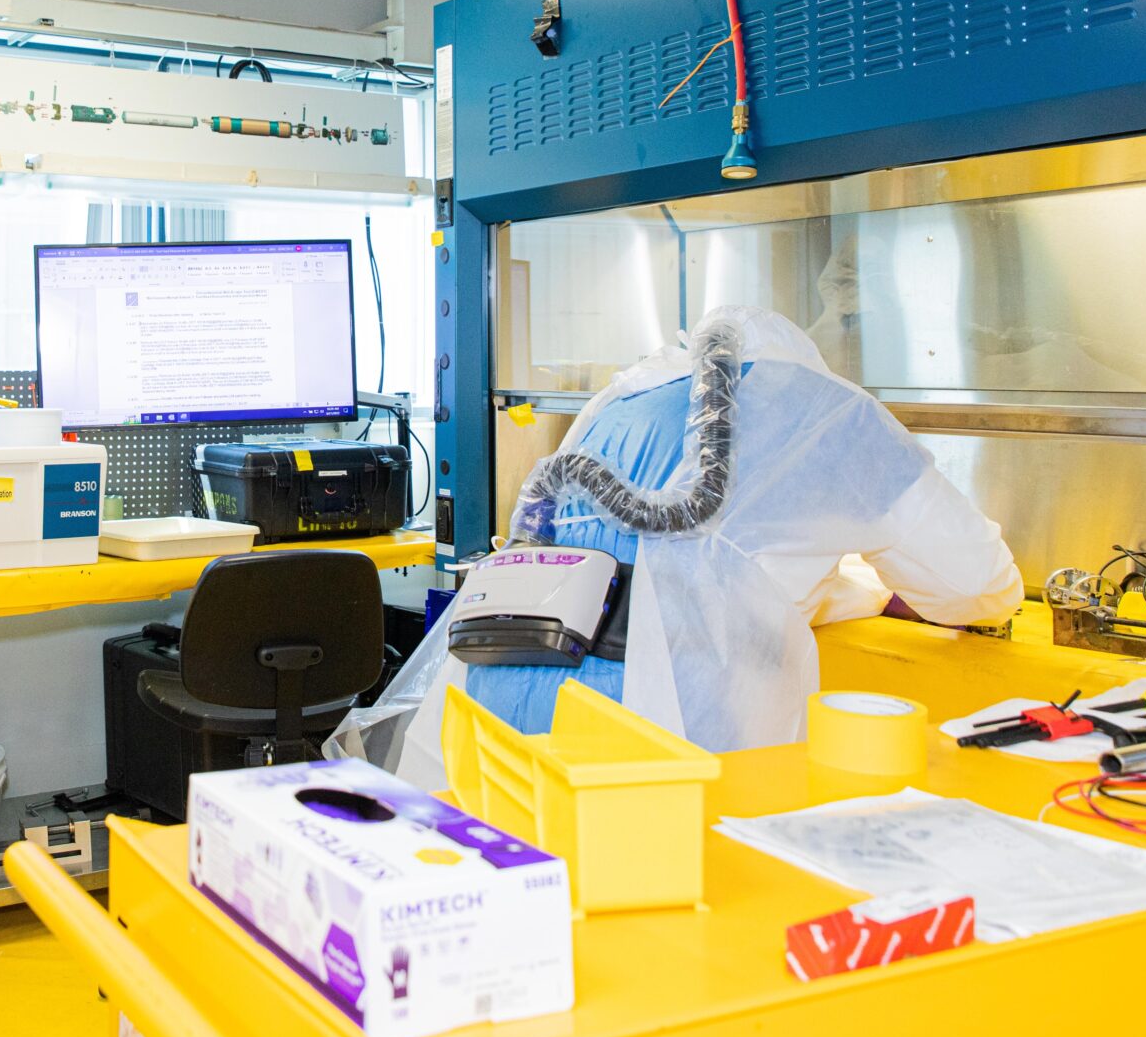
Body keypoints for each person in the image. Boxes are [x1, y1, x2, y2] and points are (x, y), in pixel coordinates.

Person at [334, 306, 1022, 780]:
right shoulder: (829, 413)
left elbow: (710, 568)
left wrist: (851, 593)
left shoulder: (622, 401)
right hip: (647, 758)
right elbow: (979, 583)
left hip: (490, 737)